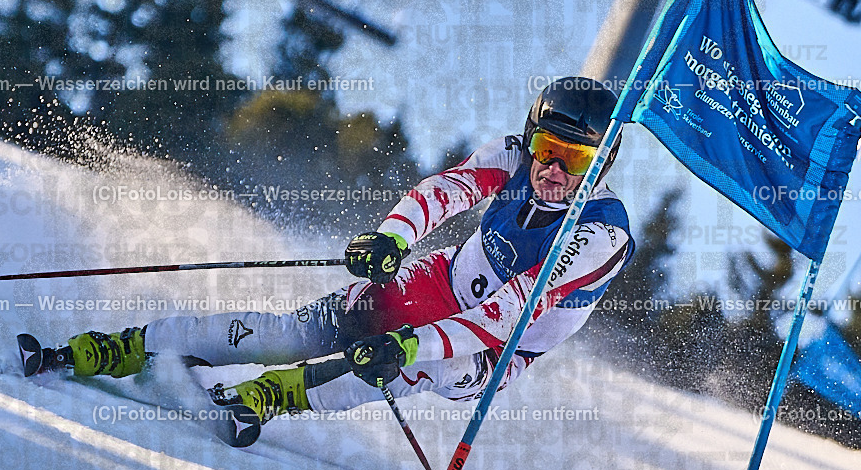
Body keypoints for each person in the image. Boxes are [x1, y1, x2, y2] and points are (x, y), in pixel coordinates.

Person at [59, 77, 635, 432]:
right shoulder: (509, 157)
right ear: (530, 138)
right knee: (309, 329)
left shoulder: (601, 234)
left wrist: (415, 341)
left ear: (601, 164)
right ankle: (132, 345)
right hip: (444, 277)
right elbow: (446, 191)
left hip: (493, 349)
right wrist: (394, 237)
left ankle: (271, 396)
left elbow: (508, 314)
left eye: (576, 160)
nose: (553, 170)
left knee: (409, 363)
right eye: (547, 148)